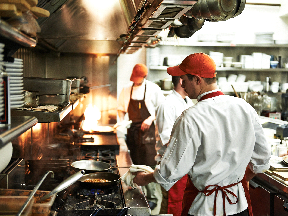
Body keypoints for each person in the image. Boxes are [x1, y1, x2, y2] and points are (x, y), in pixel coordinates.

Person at [133, 53, 271, 216]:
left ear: (198, 80)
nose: (182, 85)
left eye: (184, 79)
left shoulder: (191, 117)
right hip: (238, 205)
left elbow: (171, 170)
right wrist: (233, 180)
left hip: (204, 208)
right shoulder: (244, 107)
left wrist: (144, 178)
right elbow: (263, 158)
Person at [117, 63, 165, 213]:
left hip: (149, 134)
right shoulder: (126, 89)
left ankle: (155, 202)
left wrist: (150, 119)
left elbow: (162, 109)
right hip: (133, 134)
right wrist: (122, 124)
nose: (135, 81)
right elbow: (120, 110)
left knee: (149, 165)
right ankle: (140, 200)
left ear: (144, 77)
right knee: (135, 165)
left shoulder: (153, 89)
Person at [155, 75, 194, 216]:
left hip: (186, 167)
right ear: (182, 82)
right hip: (171, 167)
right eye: (192, 79)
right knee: (171, 208)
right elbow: (167, 140)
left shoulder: (188, 102)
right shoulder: (167, 104)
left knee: (182, 207)